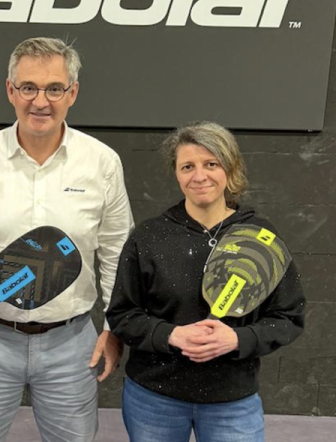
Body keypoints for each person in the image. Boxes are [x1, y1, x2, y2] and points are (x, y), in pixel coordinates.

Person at [0, 37, 134, 442]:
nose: (41, 101)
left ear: (72, 93)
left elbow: (118, 254)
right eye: (28, 88)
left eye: (54, 89)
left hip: (71, 344)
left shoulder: (102, 163)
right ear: (10, 90)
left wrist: (114, 327)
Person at [106, 121, 305, 442]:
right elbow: (122, 314)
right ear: (177, 174)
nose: (199, 176)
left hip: (232, 401)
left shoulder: (260, 237)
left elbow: (289, 317)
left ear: (230, 168)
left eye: (211, 164)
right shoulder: (149, 236)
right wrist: (172, 335)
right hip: (153, 399)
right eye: (188, 166)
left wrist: (237, 339)